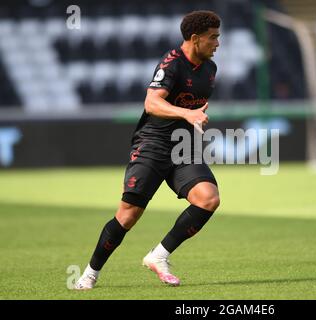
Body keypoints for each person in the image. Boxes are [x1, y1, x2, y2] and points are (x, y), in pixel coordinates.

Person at [75, 10, 221, 289]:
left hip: (183, 147)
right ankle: (91, 273)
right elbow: (152, 103)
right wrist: (187, 114)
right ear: (195, 38)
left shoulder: (210, 69)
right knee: (129, 215)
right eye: (212, 37)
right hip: (152, 144)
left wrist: (193, 117)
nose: (218, 42)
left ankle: (158, 255)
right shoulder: (172, 64)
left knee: (208, 199)